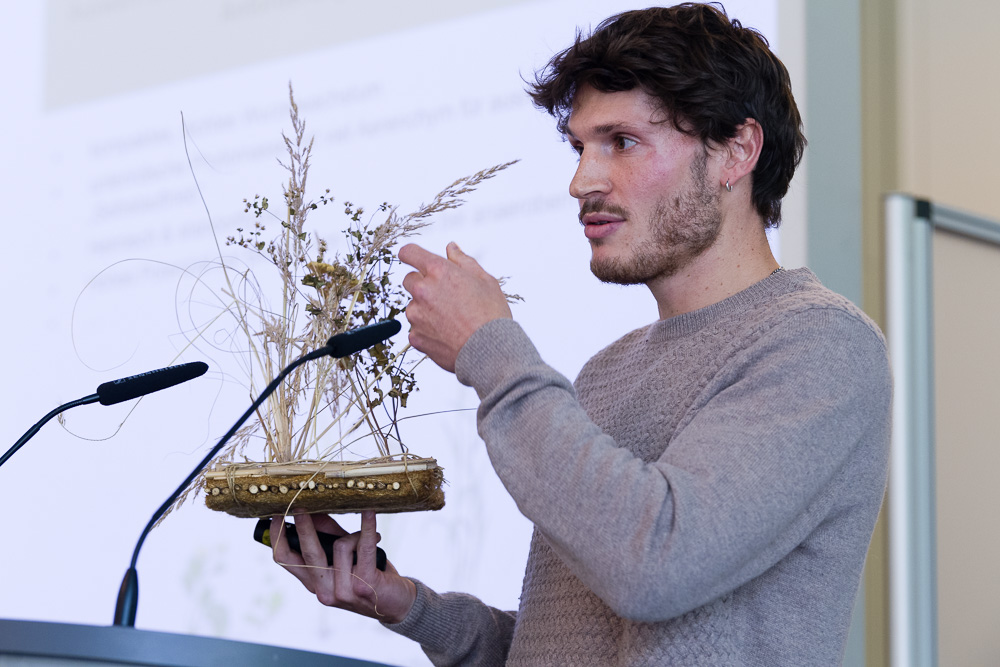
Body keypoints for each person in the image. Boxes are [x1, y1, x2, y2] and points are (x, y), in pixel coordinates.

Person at [269, 4, 891, 665]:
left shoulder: (818, 344)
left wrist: (491, 349)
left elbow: (656, 565)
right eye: (579, 147)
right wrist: (414, 608)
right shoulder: (608, 370)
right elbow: (579, 645)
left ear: (736, 151)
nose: (581, 181)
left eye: (621, 141)